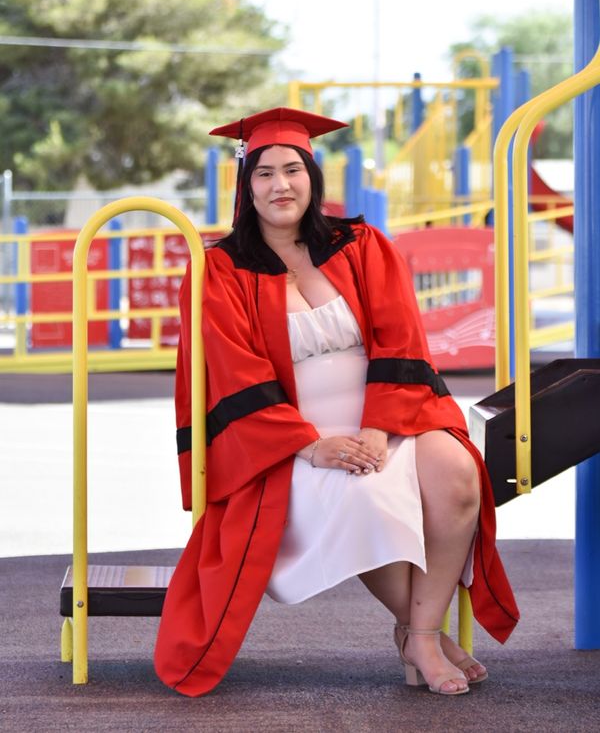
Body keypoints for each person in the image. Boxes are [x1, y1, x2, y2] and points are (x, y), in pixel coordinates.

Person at [154, 107, 519, 697]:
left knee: (456, 476)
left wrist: (379, 427)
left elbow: (401, 339)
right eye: (265, 173)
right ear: (246, 187)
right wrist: (311, 444)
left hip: (392, 416)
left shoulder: (362, 245)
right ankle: (423, 635)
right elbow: (233, 374)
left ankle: (417, 632)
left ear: (312, 177)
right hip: (294, 445)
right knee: (368, 497)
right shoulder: (220, 271)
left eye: (292, 170)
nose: (281, 185)